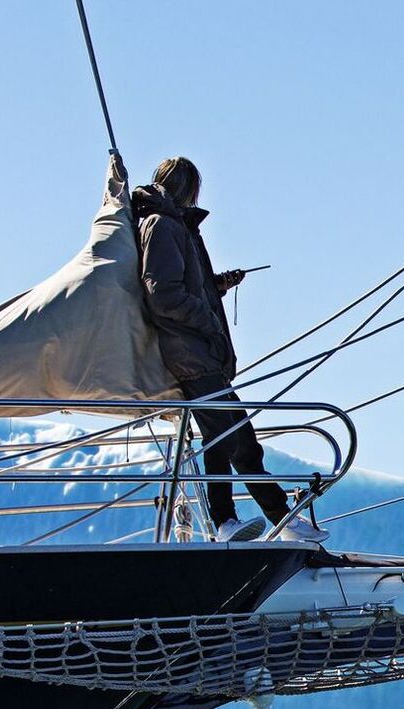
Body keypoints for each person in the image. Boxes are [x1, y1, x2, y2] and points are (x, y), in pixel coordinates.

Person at [132, 156, 328, 543]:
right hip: (191, 353)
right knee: (232, 436)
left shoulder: (175, 228)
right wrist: (207, 317)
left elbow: (182, 285)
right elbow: (164, 294)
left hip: (197, 351)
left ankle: (246, 521)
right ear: (187, 188)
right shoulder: (164, 226)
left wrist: (218, 286)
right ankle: (260, 520)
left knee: (228, 435)